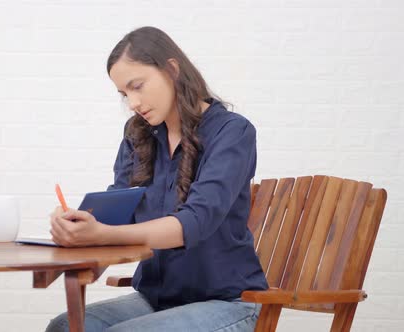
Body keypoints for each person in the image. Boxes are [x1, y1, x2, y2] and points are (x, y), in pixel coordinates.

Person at [45, 26, 268, 332]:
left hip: (228, 302)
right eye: (125, 93)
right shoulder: (139, 135)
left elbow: (194, 222)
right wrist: (79, 227)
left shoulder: (231, 132)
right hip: (158, 300)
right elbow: (116, 213)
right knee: (64, 326)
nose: (133, 102)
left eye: (138, 86)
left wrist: (101, 234)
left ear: (172, 70)